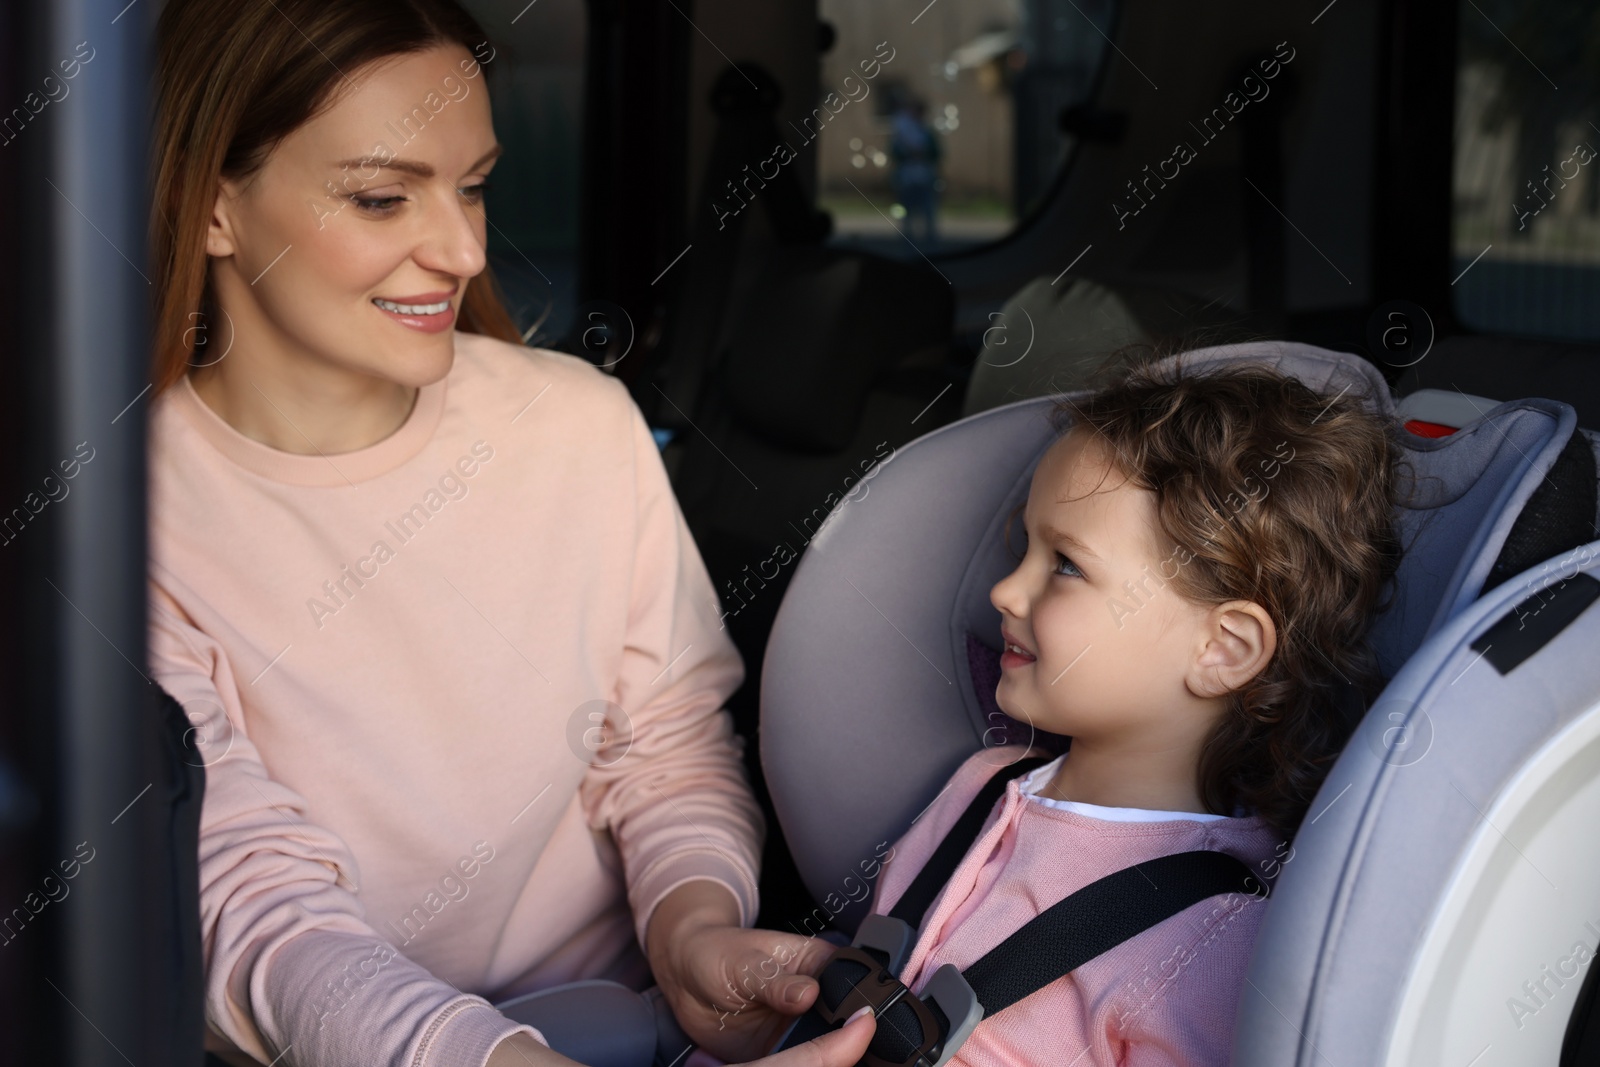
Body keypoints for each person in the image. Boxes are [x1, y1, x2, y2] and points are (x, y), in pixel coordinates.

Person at [146, 1, 877, 1065]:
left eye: (475, 184)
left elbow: (664, 742)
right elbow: (244, 896)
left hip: (626, 1020)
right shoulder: (116, 517)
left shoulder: (576, 419)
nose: (462, 246)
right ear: (215, 208)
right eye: (383, 196)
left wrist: (694, 932)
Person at [861, 357, 1405, 1065]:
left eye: (1064, 564)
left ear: (1222, 649)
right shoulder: (983, 784)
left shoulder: (1213, 938)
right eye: (1022, 546)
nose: (1003, 591)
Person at [888, 99, 940, 244]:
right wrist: (908, 154)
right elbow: (894, 152)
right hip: (907, 177)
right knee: (906, 210)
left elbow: (937, 152)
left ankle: (930, 237)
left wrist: (925, 154)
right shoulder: (904, 131)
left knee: (928, 209)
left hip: (924, 177)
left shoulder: (927, 132)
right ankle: (907, 237)